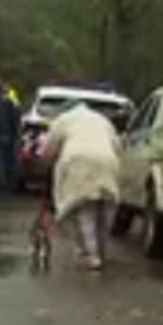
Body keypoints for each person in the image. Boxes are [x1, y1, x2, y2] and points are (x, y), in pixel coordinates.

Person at [37, 101, 123, 270]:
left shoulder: (63, 120)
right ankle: (101, 251)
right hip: (108, 161)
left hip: (78, 161)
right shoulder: (102, 120)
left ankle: (91, 255)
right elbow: (118, 147)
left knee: (84, 208)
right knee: (105, 209)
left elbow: (49, 149)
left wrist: (45, 165)